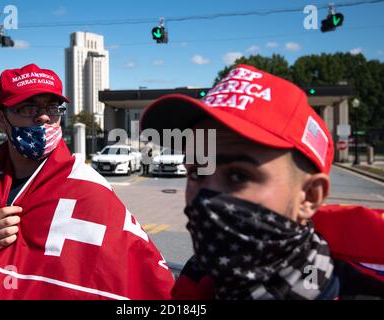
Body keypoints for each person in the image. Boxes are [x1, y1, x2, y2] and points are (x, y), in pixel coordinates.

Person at [141, 64, 384, 300]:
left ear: (309, 196)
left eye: (239, 175)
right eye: (196, 173)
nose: (205, 197)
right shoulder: (195, 277)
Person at [0, 63, 174, 299]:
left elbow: (138, 271)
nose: (43, 116)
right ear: (1, 119)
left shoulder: (88, 187)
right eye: (27, 107)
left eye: (52, 107)